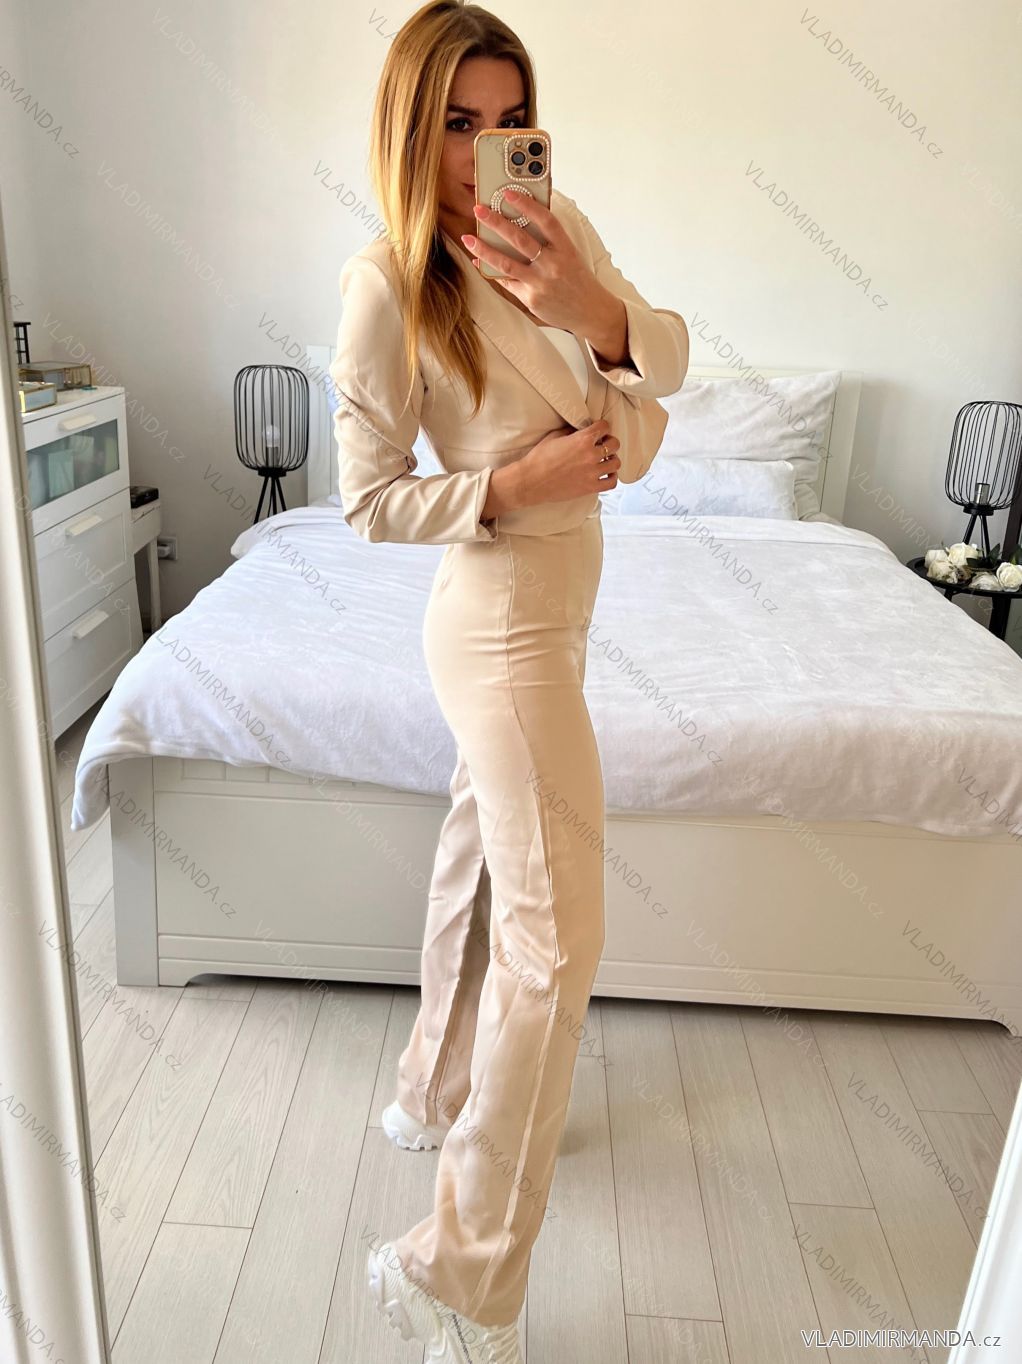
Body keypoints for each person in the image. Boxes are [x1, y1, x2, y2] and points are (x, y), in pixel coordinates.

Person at [328, 3, 689, 1359]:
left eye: (508, 120)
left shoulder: (558, 231)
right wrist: (513, 483)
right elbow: (367, 502)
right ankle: (460, 1269)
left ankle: (432, 1087)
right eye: (456, 123)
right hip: (495, 620)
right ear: (410, 132)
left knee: (482, 852)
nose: (488, 149)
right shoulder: (387, 282)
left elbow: (659, 392)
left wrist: (586, 307)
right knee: (558, 941)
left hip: (566, 600)